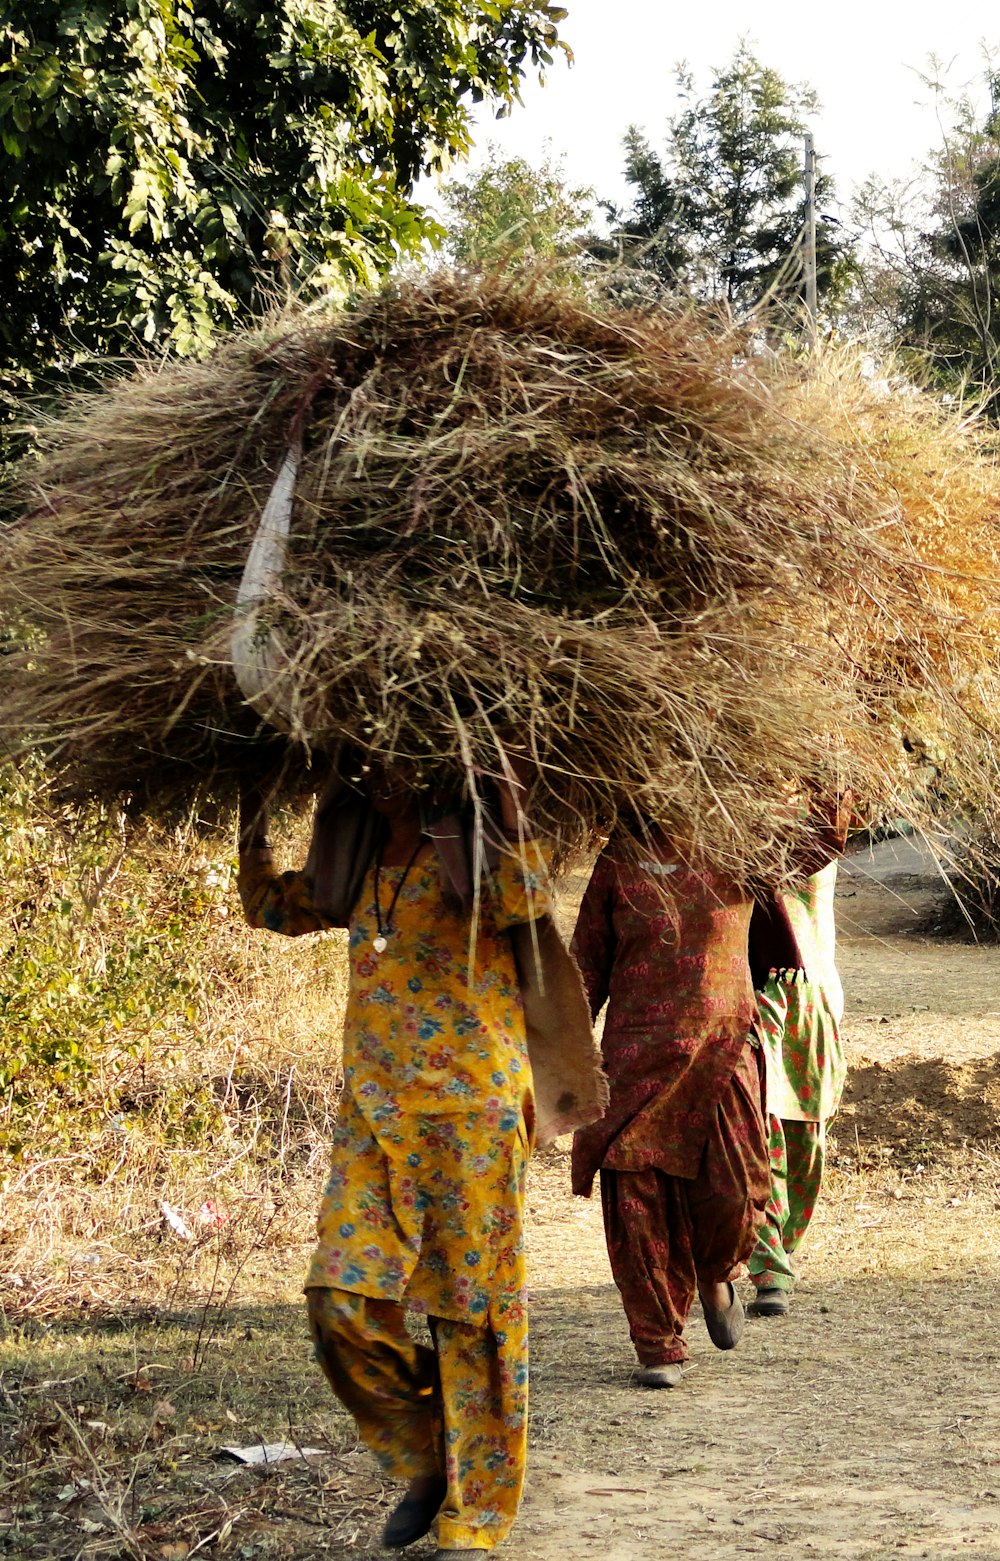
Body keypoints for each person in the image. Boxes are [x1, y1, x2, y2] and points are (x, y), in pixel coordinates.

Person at [237, 765, 604, 1557]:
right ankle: (426, 1451)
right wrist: (253, 805)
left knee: (470, 1316)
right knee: (338, 1298)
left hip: (474, 1112)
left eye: (402, 761)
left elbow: (525, 901)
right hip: (375, 1116)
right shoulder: (354, 863)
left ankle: (475, 1513)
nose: (382, 777)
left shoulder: (478, 854)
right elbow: (268, 904)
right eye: (366, 764)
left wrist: (498, 800)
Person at [570, 832, 770, 1388]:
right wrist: (560, 1052)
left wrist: (840, 768)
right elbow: (586, 960)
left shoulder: (737, 842)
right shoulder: (617, 862)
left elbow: (817, 837)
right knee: (636, 1202)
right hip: (635, 1059)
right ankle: (658, 1342)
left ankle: (716, 1274)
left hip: (721, 1050)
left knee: (735, 1192)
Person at [745, 860, 846, 1317]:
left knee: (808, 1140)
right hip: (755, 991)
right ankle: (769, 1268)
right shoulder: (731, 834)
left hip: (814, 995)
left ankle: (783, 1246)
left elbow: (839, 824)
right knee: (760, 1131)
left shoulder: (817, 834)